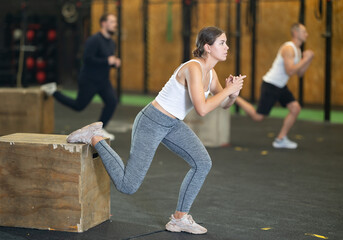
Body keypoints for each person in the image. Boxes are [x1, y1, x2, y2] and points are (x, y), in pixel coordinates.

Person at [65, 26, 245, 234]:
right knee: (127, 186)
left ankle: (179, 218)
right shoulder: (193, 68)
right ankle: (94, 137)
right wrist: (228, 92)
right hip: (152, 121)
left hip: (173, 124)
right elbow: (202, 109)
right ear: (207, 47)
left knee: (202, 163)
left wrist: (231, 94)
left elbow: (223, 105)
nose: (227, 47)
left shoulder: (211, 73)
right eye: (222, 43)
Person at [41, 13, 121, 140]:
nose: (115, 24)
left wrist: (113, 63)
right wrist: (107, 61)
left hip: (103, 81)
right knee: (79, 106)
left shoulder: (111, 43)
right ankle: (53, 91)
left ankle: (99, 130)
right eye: (112, 22)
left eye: (115, 22)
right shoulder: (94, 40)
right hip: (89, 80)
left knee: (112, 102)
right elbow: (87, 60)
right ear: (103, 23)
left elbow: (105, 61)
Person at [235, 23, 314, 149]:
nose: (307, 34)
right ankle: (233, 97)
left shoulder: (298, 51)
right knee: (258, 117)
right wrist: (306, 59)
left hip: (281, 86)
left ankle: (280, 139)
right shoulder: (288, 48)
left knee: (295, 108)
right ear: (295, 33)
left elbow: (299, 73)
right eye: (304, 32)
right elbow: (290, 71)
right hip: (271, 85)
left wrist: (307, 60)